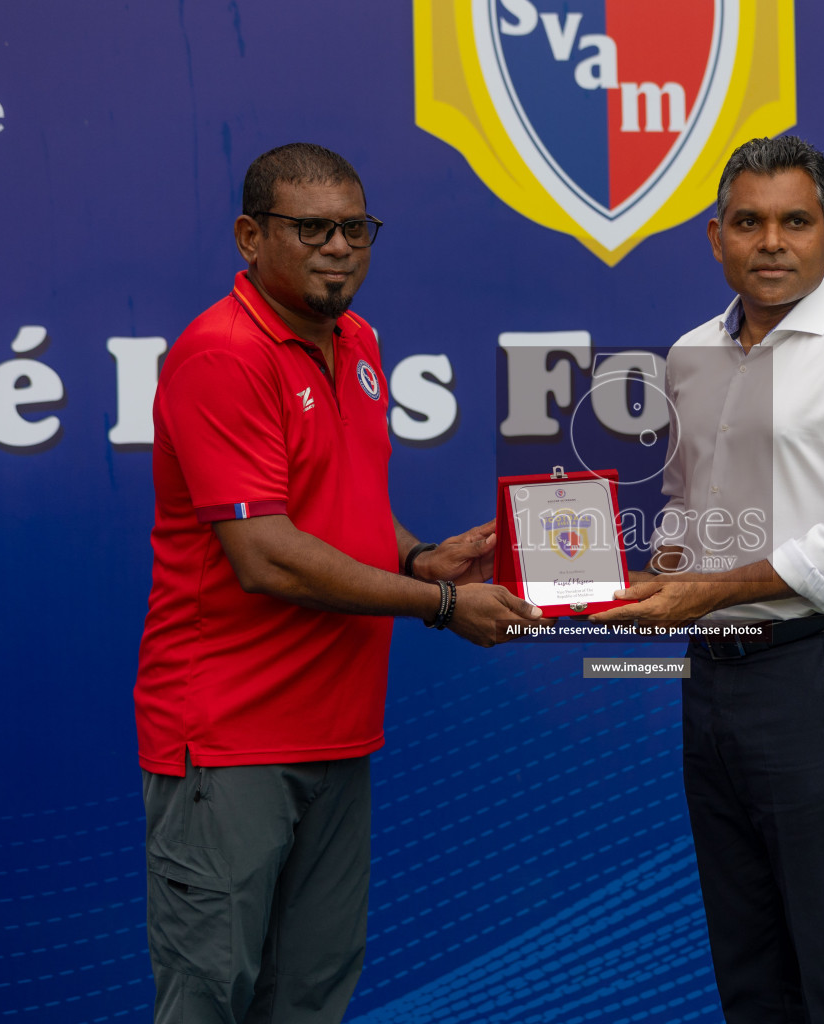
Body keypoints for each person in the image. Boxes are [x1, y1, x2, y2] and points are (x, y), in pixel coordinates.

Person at [133, 142, 542, 1023]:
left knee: (312, 997)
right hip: (233, 736)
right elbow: (265, 553)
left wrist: (419, 556)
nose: (338, 246)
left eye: (356, 228)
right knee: (210, 997)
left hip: (338, 732)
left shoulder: (356, 341)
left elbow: (341, 503)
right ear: (250, 236)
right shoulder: (222, 355)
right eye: (310, 228)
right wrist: (438, 604)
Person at [593, 136, 824, 1022]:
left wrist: (705, 592)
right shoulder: (690, 355)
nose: (772, 242)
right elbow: (686, 516)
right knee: (747, 964)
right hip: (711, 682)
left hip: (818, 676)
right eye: (750, 222)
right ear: (716, 237)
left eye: (794, 221)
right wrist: (608, 578)